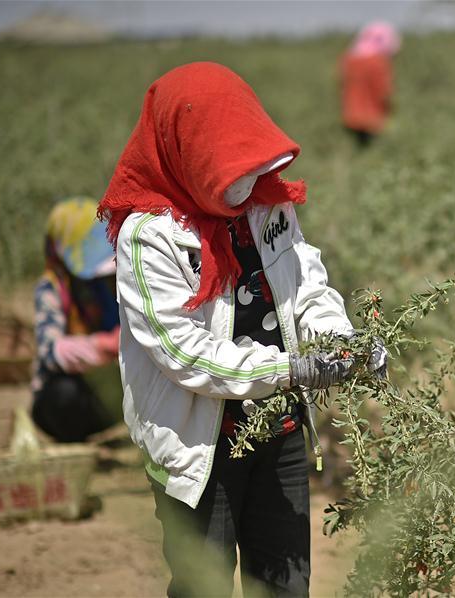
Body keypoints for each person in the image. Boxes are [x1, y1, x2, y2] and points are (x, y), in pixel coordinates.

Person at [99, 62, 385, 597]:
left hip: (279, 432)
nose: (246, 181)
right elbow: (181, 351)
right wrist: (290, 369)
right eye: (229, 168)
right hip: (196, 447)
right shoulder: (148, 237)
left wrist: (340, 342)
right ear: (188, 154)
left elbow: (306, 282)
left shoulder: (266, 202)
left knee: (284, 584)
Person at [31, 197, 120, 443]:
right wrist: (102, 345)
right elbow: (49, 352)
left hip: (105, 390)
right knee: (64, 394)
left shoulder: (105, 283)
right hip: (67, 396)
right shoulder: (50, 290)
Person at [340, 21, 401, 147]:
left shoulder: (349, 59)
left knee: (357, 147)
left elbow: (342, 85)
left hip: (351, 116)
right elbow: (384, 91)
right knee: (373, 147)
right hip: (372, 118)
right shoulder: (378, 62)